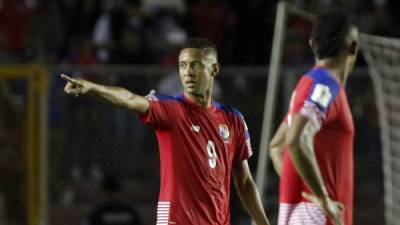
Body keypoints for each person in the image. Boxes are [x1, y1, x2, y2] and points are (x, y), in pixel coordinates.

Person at [62, 38, 270, 225]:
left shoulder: (234, 119)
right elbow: (130, 99)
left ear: (214, 69)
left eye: (195, 65)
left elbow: (243, 180)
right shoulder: (170, 109)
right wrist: (94, 88)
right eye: (183, 65)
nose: (187, 72)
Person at [268, 8, 359, 225]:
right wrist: (321, 198)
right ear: (354, 48)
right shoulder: (324, 86)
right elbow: (296, 139)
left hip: (307, 215)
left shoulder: (309, 85)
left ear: (312, 45)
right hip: (317, 218)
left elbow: (277, 147)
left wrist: (303, 191)